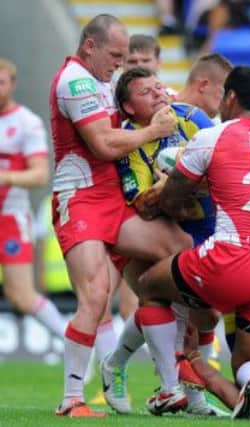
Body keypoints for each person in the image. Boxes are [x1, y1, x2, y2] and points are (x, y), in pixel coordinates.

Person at [119, 66, 250, 417]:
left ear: (230, 97)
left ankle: (172, 386)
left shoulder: (215, 135)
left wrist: (178, 189)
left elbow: (171, 198)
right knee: (248, 365)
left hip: (233, 256)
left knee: (151, 285)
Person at [49, 14, 192, 418]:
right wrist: (153, 132)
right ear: (90, 46)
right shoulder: (74, 81)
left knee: (181, 255)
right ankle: (72, 398)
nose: (119, 63)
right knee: (95, 295)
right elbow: (103, 144)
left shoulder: (102, 79)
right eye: (114, 55)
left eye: (124, 56)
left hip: (114, 198)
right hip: (79, 197)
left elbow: (149, 98)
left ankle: (150, 366)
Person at [102, 66, 223, 416]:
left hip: (202, 227)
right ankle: (178, 392)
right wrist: (174, 183)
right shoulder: (131, 141)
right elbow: (143, 206)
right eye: (146, 92)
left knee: (206, 314)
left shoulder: (189, 117)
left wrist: (181, 178)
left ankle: (118, 362)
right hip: (161, 235)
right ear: (128, 107)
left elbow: (223, 161)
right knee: (174, 302)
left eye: (158, 87)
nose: (158, 94)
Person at [0, 58, 67, 339]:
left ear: (12, 85)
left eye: (1, 82)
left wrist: (6, 178)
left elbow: (40, 175)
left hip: (10, 218)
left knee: (21, 296)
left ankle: (73, 342)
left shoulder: (27, 123)